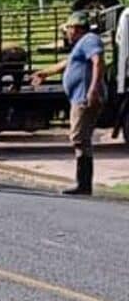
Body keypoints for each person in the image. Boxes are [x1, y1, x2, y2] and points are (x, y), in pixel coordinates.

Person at [31, 11, 105, 195]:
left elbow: (98, 61)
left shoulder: (89, 40)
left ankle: (84, 184)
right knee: (79, 138)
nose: (67, 33)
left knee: (80, 138)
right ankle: (83, 183)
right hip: (79, 97)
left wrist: (93, 89)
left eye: (68, 29)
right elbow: (67, 63)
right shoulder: (82, 44)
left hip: (84, 98)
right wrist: (45, 73)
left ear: (76, 28)